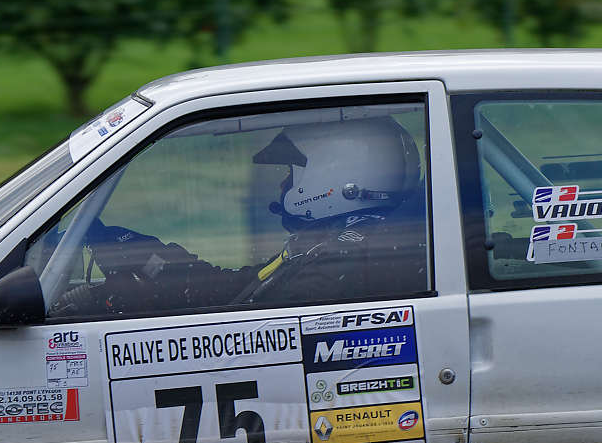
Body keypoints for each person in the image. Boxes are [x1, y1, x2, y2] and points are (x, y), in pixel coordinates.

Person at [53, 117, 428, 318]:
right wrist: (154, 260)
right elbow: (241, 287)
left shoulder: (339, 263)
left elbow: (249, 322)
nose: (283, 182)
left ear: (336, 174)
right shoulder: (332, 245)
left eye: (292, 171)